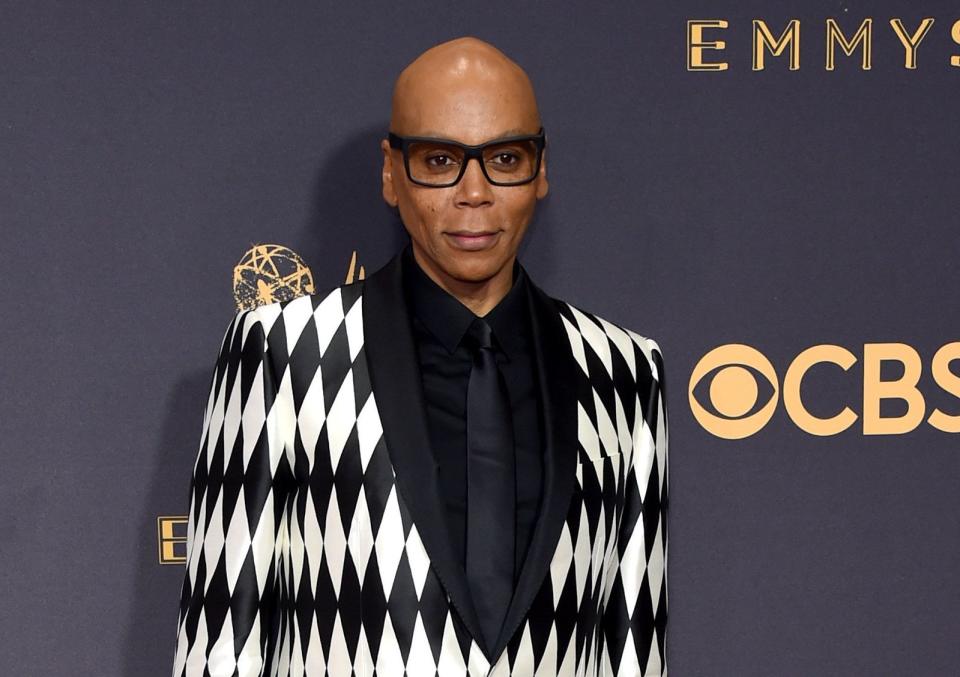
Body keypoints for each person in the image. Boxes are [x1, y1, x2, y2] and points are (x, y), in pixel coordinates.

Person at [171, 36, 668, 677]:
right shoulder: (283, 354)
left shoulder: (623, 371)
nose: (474, 193)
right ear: (390, 172)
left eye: (505, 158)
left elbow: (635, 649)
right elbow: (221, 643)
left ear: (541, 171)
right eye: (439, 161)